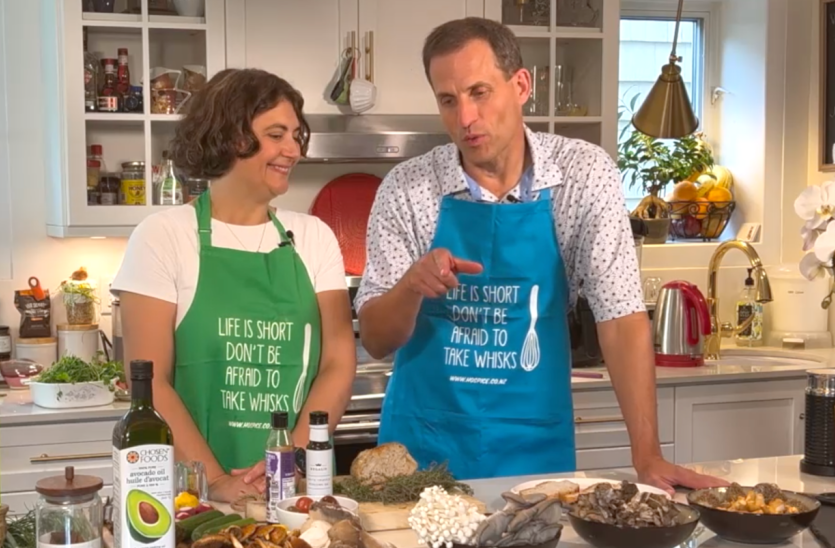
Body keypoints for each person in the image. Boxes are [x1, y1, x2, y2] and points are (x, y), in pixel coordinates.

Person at [354, 17, 725, 493]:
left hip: (533, 449)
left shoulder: (583, 175)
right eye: (448, 100)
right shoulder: (406, 188)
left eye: (479, 92)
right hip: (421, 453)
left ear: (521, 85)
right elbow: (377, 339)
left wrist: (647, 455)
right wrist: (410, 287)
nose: (465, 118)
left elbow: (621, 317)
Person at [112, 68, 356, 503]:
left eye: (296, 136)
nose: (293, 150)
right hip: (194, 498)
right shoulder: (164, 236)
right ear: (228, 137)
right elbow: (148, 383)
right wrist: (218, 481)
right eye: (276, 135)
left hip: (297, 493)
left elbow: (337, 361)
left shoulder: (314, 237)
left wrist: (290, 460)